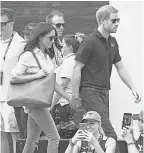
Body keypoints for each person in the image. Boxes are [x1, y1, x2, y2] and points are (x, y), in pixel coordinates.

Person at [71, 5, 141, 141]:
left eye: (118, 20)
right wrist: (75, 96)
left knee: (96, 135)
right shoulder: (89, 41)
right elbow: (76, 68)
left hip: (104, 93)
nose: (117, 23)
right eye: (114, 20)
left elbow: (120, 67)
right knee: (110, 135)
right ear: (103, 21)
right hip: (90, 93)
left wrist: (132, 87)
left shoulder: (113, 42)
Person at [10, 22, 71, 153]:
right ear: (40, 37)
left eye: (54, 38)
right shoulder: (28, 55)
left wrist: (69, 98)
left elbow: (53, 83)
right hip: (35, 102)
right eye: (50, 38)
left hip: (40, 101)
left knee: (32, 139)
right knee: (54, 137)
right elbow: (13, 77)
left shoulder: (47, 56)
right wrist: (36, 75)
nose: (53, 41)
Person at [0, 8, 25, 153]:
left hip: (12, 97)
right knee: (1, 134)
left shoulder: (20, 44)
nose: (0, 27)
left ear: (12, 24)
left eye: (3, 23)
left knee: (16, 134)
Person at [50, 34, 84, 123]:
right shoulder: (73, 60)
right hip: (67, 104)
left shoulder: (69, 61)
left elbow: (62, 84)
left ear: (69, 47)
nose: (62, 46)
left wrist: (51, 105)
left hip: (65, 105)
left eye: (63, 44)